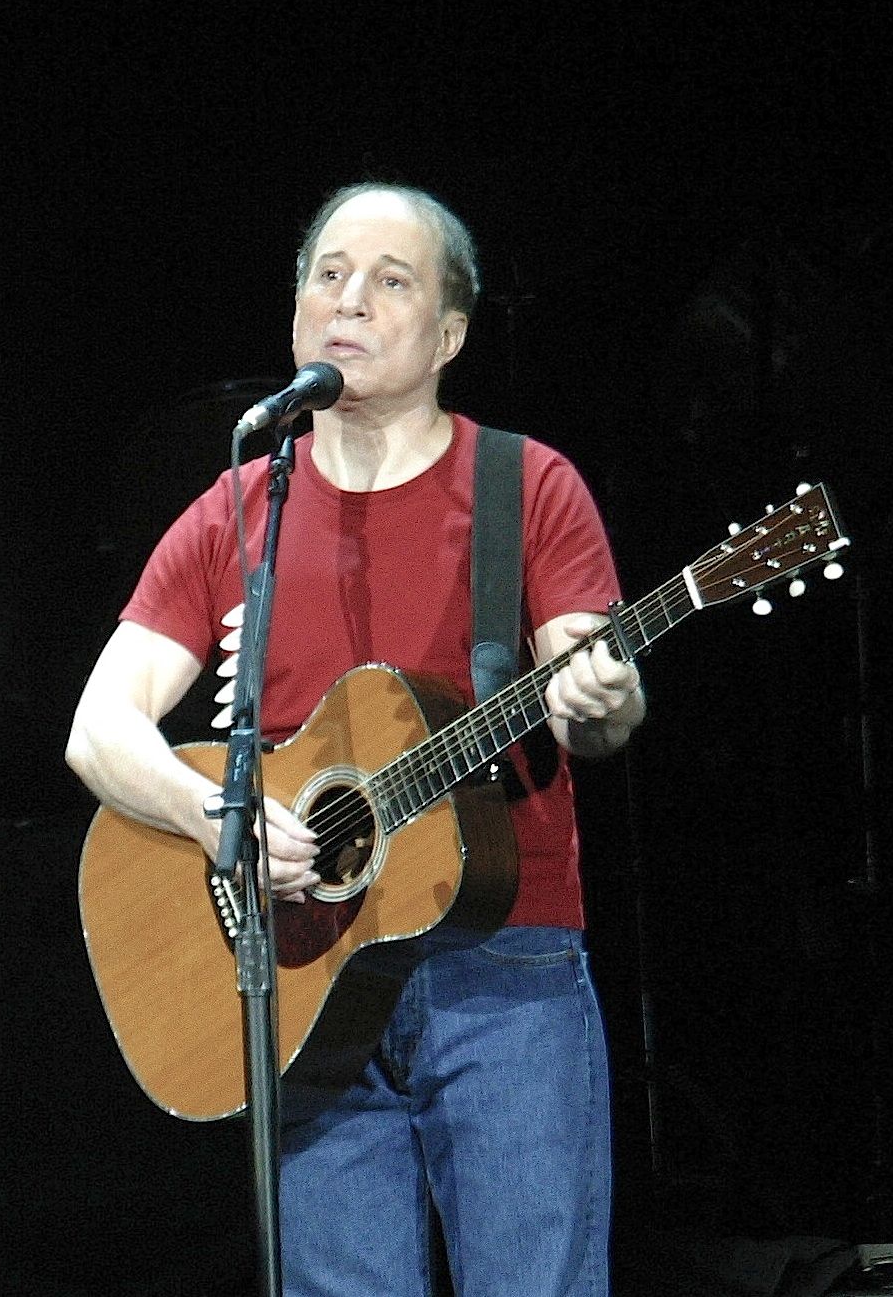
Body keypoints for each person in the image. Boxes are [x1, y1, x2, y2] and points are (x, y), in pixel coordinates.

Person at [64, 183, 644, 1296]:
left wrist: (600, 696)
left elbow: (593, 682)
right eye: (327, 274)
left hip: (502, 964)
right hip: (301, 982)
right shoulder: (240, 504)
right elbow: (99, 726)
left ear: (450, 335)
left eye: (390, 281)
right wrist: (219, 815)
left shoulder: (526, 485)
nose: (349, 300)